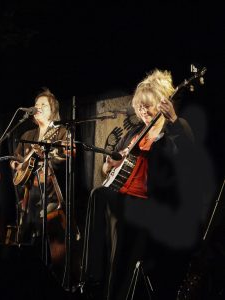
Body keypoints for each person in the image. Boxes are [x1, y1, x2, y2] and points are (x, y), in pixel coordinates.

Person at [82, 69, 203, 300]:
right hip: (124, 196)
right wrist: (108, 164)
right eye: (139, 107)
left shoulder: (175, 127)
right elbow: (109, 167)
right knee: (99, 193)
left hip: (152, 202)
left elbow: (189, 158)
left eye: (147, 106)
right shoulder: (135, 133)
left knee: (106, 202)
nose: (142, 111)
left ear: (160, 104)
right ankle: (92, 274)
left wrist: (173, 122)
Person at [10, 88, 72, 272]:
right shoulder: (28, 135)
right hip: (29, 195)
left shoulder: (61, 132)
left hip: (50, 193)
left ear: (52, 109)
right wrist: (17, 166)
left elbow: (66, 157)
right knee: (28, 239)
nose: (38, 108)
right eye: (36, 105)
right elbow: (16, 159)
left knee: (51, 242)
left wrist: (48, 159)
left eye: (43, 105)